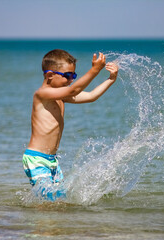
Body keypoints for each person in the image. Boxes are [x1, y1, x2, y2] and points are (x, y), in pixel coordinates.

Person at [22, 49, 118, 193]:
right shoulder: (42, 94)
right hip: (36, 159)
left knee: (60, 198)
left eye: (74, 75)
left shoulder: (61, 96)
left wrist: (111, 79)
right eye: (68, 76)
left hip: (52, 160)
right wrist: (94, 70)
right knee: (48, 199)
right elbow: (73, 90)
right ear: (49, 75)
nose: (71, 80)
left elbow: (91, 96)